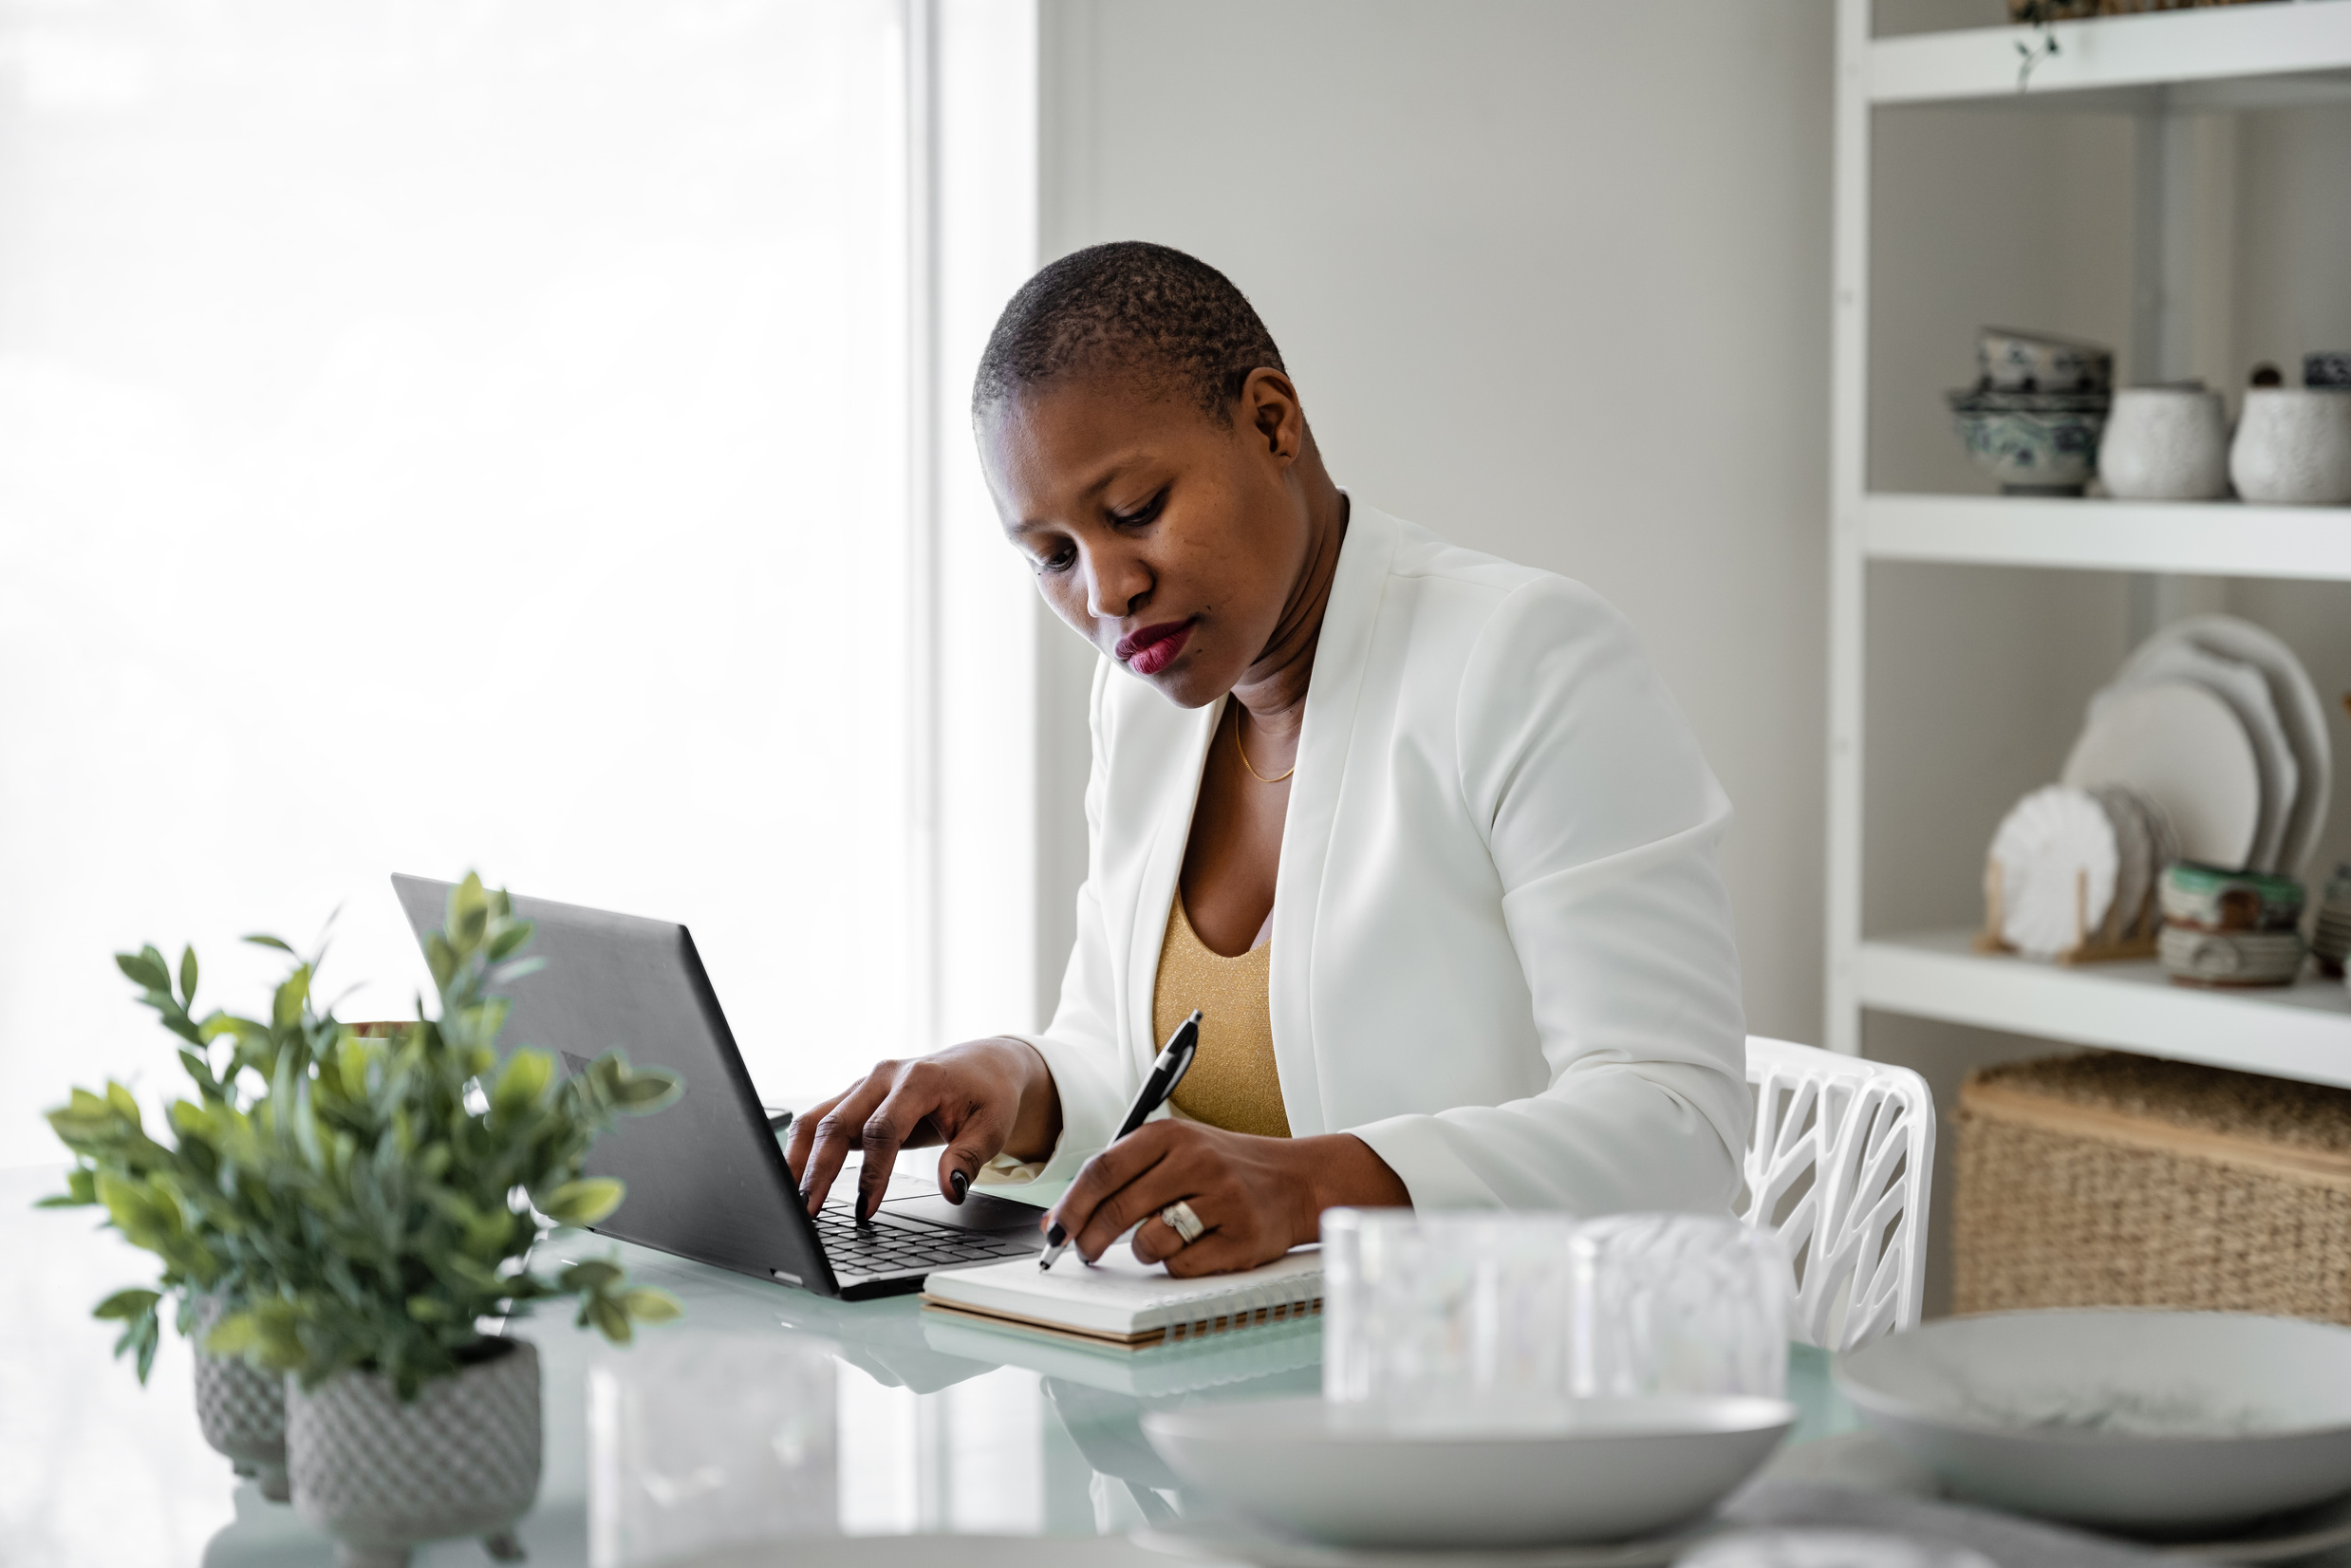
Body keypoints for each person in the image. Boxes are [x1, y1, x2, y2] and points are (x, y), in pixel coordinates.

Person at [788, 241, 1748, 1278]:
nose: (1106, 591)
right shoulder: (1144, 703)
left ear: (1270, 421)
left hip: (1508, 1371)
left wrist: (1311, 1185)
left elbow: (1677, 1125)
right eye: (1054, 555)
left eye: (1134, 511)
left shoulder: (1524, 656)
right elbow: (1138, 1072)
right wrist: (1022, 1085)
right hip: (1235, 1372)